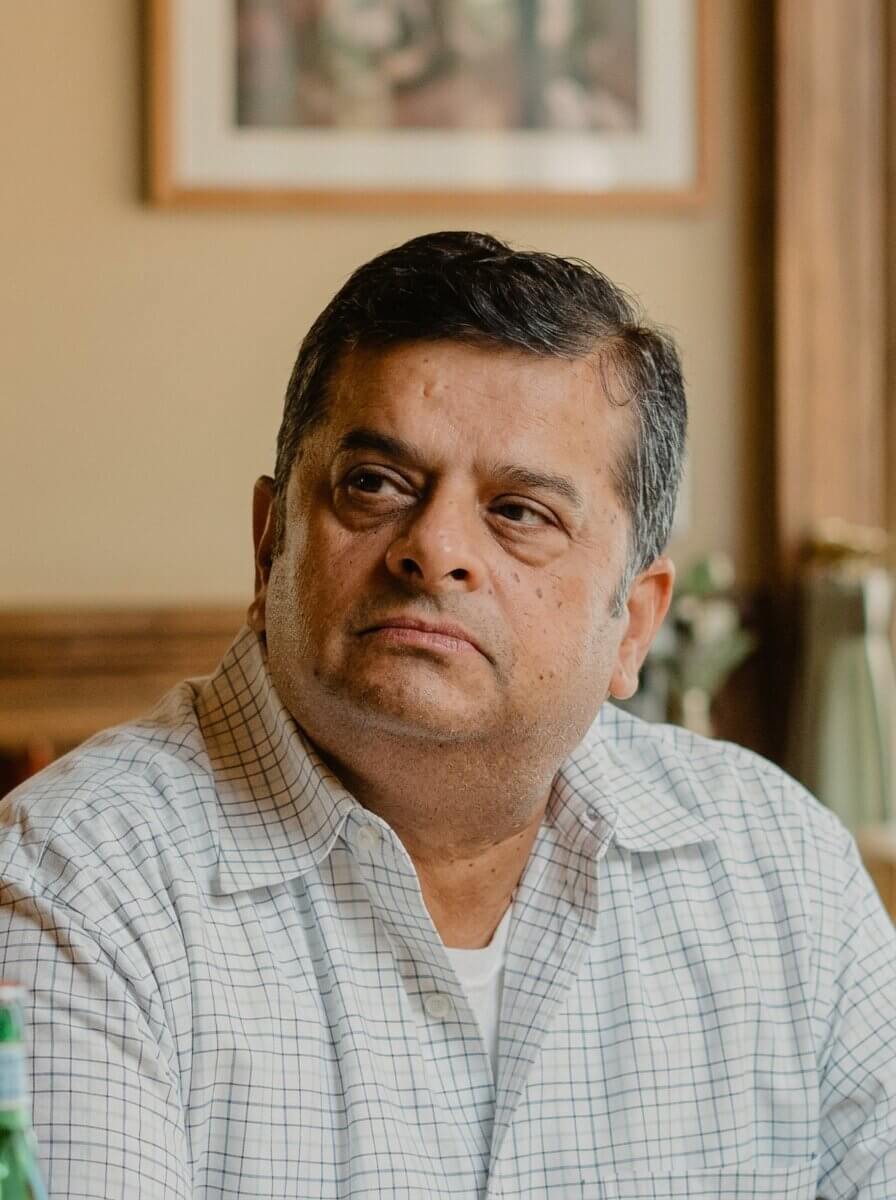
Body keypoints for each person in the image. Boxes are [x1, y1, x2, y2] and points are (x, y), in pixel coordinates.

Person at [1, 231, 893, 1199]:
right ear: (268, 548)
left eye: (517, 512)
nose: (433, 549)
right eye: (375, 485)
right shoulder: (74, 886)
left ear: (631, 625)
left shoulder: (783, 875)